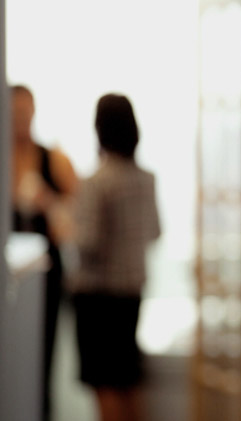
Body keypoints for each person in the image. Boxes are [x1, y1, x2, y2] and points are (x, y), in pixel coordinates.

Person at [70, 94, 160, 421]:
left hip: (98, 296)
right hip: (131, 293)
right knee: (127, 381)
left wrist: (64, 222)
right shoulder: (146, 180)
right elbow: (155, 232)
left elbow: (88, 242)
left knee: (104, 384)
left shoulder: (97, 182)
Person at [11, 85, 79, 421]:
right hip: (7, 276)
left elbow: (77, 221)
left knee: (41, 358)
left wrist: (48, 204)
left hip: (45, 277)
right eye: (14, 113)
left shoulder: (54, 159)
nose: (20, 119)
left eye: (25, 111)